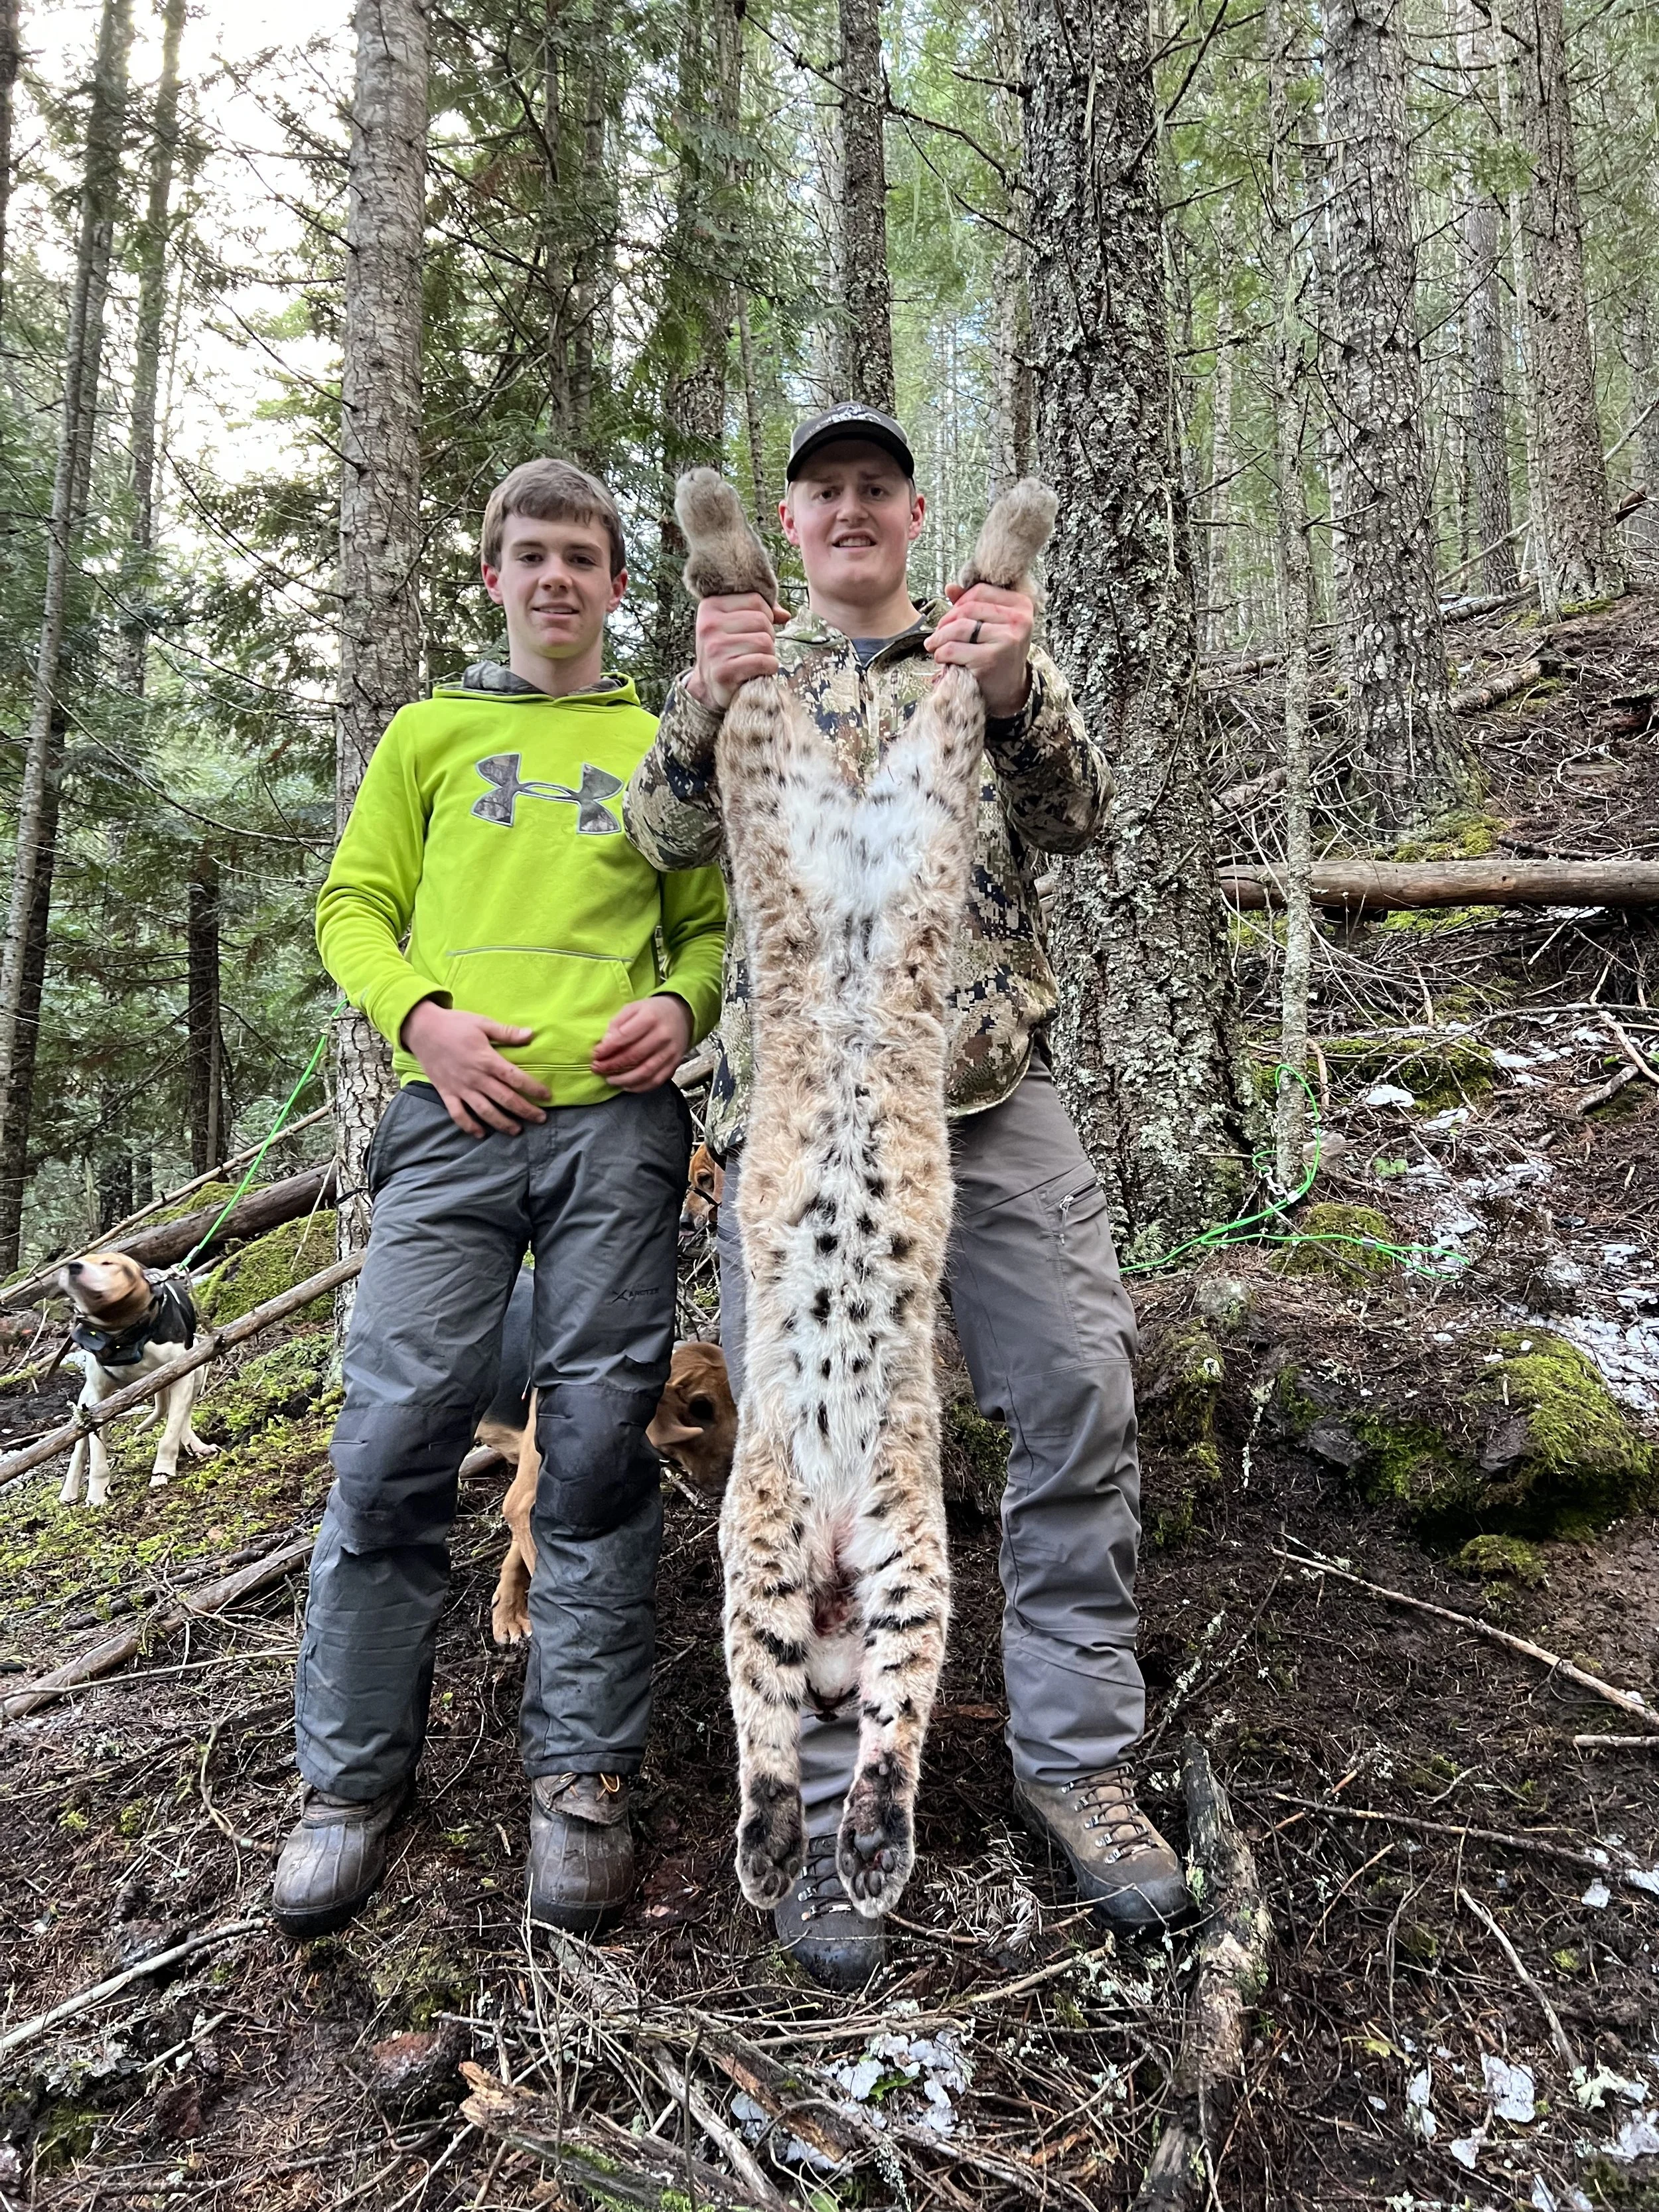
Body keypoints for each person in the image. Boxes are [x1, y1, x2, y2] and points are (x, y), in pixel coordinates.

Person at [624, 405, 1188, 1989]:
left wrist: (1009, 685)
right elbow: (656, 839)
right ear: (793, 527)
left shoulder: (981, 649)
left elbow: (1082, 819)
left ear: (915, 513)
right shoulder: (748, 661)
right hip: (799, 1123)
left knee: (1073, 1386)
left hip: (984, 1098)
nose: (849, 510)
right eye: (824, 493)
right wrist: (701, 691)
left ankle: (1074, 1761)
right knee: (794, 1467)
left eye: (874, 488)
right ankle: (825, 1822)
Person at [272, 459, 727, 1941]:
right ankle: (347, 1786)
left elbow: (708, 921)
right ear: (491, 578)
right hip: (453, 1118)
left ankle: (581, 1775)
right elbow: (352, 903)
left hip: (617, 1137)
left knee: (597, 1442)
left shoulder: (664, 741)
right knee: (395, 1429)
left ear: (612, 583)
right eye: (528, 556)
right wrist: (425, 1024)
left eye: (581, 558)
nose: (554, 580)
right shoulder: (429, 731)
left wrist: (681, 1003)